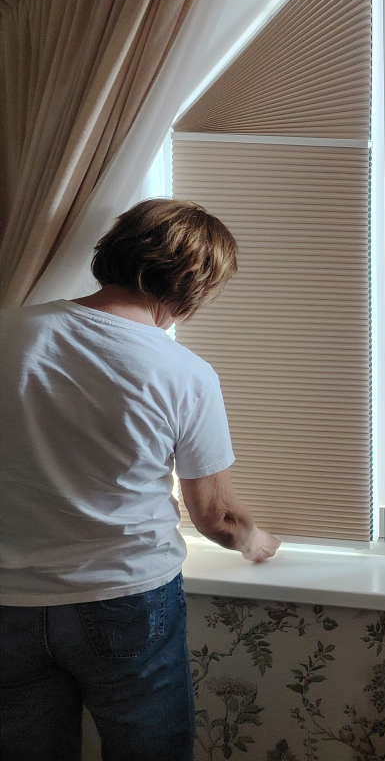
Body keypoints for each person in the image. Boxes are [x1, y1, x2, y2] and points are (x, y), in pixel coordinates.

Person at [0, 198, 280, 761]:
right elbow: (216, 517)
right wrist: (255, 541)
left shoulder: (10, 332)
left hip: (10, 600)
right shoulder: (183, 373)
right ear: (193, 284)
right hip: (125, 599)